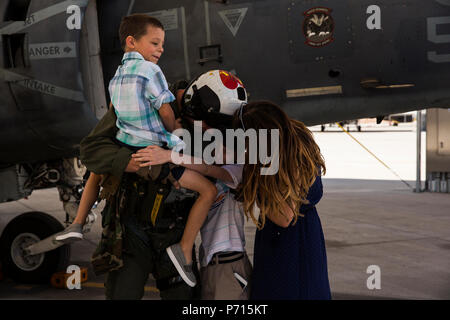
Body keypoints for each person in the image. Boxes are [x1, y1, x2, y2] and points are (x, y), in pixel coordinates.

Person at [62, 14, 219, 287]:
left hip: (125, 148)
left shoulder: (116, 78)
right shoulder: (151, 72)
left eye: (162, 44)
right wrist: (174, 130)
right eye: (155, 43)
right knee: (209, 190)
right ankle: (183, 250)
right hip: (153, 156)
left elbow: (113, 115)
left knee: (97, 174)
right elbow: (165, 110)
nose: (160, 49)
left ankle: (77, 222)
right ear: (132, 42)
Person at [79, 69, 247, 300]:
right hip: (133, 230)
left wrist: (171, 157)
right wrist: (136, 164)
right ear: (193, 107)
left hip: (174, 232)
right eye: (208, 125)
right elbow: (93, 150)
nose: (211, 131)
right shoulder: (145, 102)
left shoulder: (213, 123)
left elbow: (226, 166)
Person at [233, 101, 331, 300]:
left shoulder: (277, 162)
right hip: (307, 238)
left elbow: (284, 216)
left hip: (286, 251)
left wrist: (253, 180)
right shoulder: (297, 139)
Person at [132, 145, 252, 299]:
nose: (216, 152)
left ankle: (184, 248)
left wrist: (169, 155)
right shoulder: (209, 180)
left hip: (229, 262)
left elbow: (207, 168)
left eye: (224, 149)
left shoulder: (237, 171)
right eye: (214, 148)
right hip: (209, 262)